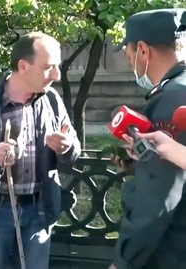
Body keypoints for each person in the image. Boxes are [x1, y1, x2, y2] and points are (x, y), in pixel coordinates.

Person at [0, 32, 81, 269]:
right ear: (23, 66)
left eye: (57, 67)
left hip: (37, 212)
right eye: (48, 67)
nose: (57, 75)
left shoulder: (51, 100)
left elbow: (73, 146)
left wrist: (67, 147)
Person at [109, 8, 186, 269]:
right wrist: (140, 164)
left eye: (129, 55)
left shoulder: (171, 99)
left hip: (170, 251)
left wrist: (123, 261)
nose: (131, 62)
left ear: (143, 50)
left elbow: (158, 199)